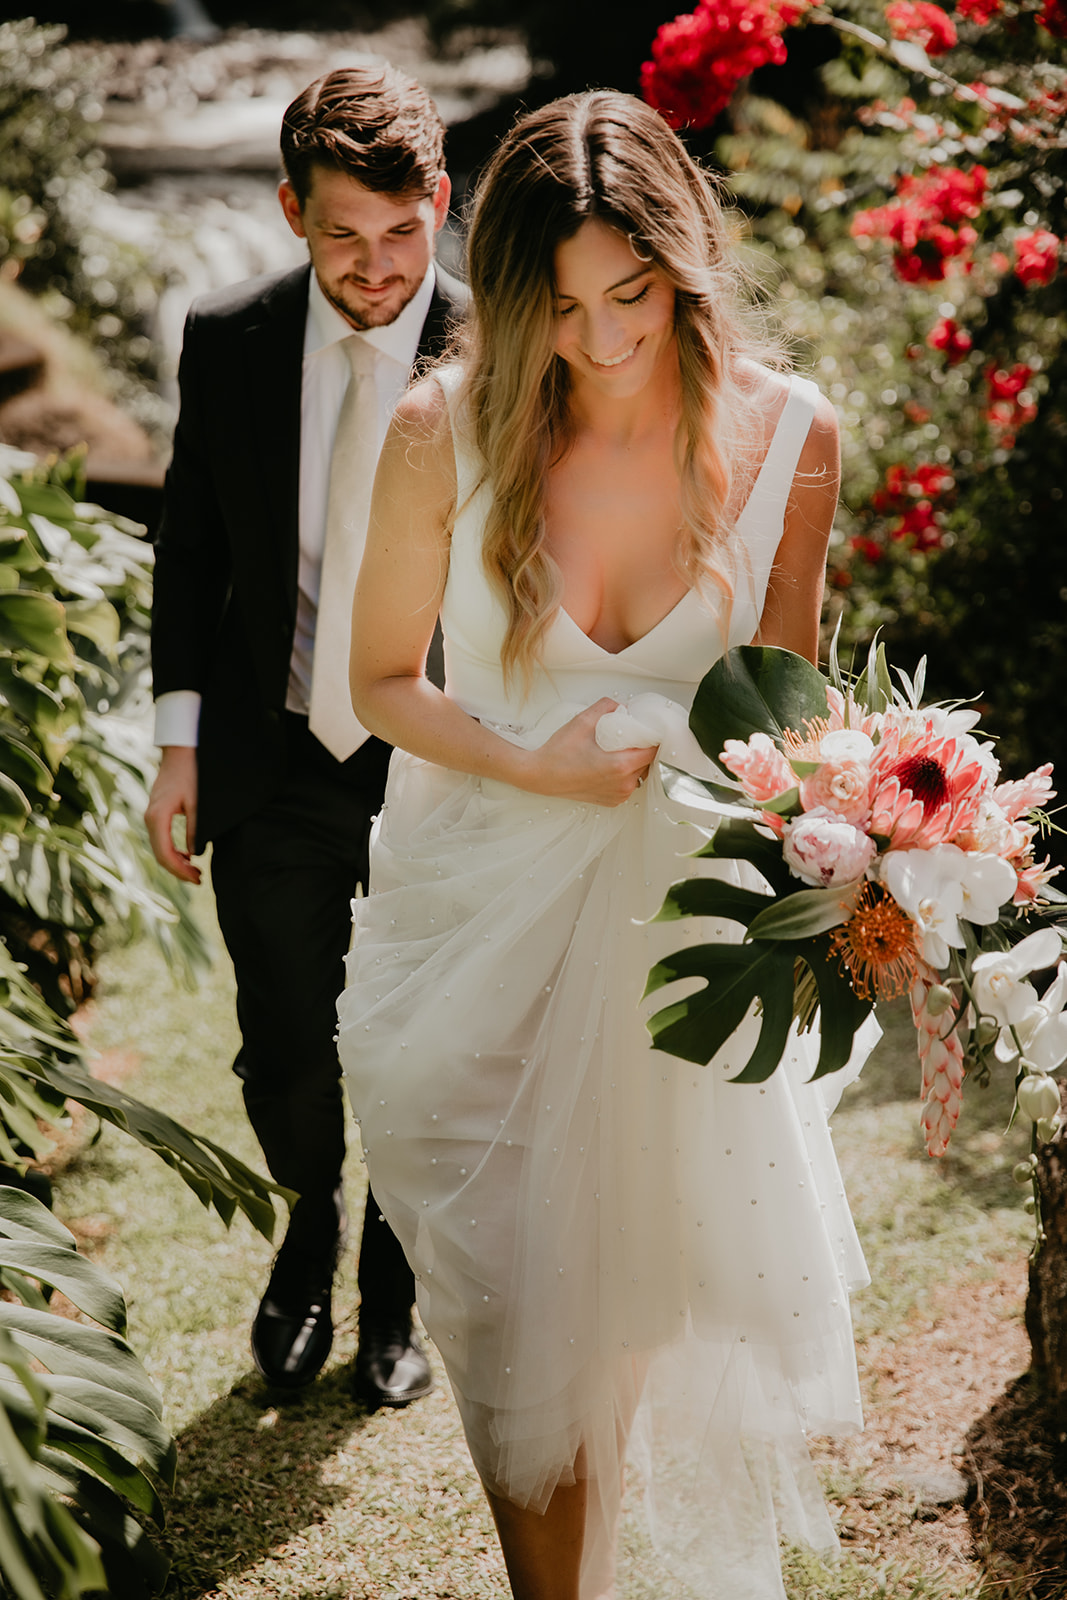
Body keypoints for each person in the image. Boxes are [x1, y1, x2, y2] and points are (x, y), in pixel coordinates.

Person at [337, 91, 875, 1598]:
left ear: (685, 263)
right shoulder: (446, 427)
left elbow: (789, 699)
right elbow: (381, 681)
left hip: (677, 947)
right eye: (560, 307)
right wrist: (530, 760)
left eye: (630, 295)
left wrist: (874, 831)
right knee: (511, 1315)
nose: (601, 338)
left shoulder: (789, 434)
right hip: (477, 926)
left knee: (620, 1307)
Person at [145, 64, 467, 1403]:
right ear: (291, 210)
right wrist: (177, 743)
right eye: (346, 235)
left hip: (439, 762)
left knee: (415, 1034)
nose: (379, 266)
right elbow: (190, 548)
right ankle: (310, 1222)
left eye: (403, 234)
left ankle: (393, 1280)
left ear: (439, 205)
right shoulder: (224, 340)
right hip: (270, 751)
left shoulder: (494, 347)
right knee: (284, 1027)